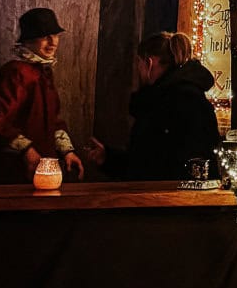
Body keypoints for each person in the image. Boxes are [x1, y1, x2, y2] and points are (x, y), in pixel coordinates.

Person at [86, 30, 220, 181]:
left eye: (139, 62)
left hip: (165, 199)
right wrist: (108, 158)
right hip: (187, 198)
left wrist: (112, 161)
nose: (138, 69)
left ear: (149, 63)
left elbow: (147, 167)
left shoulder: (162, 103)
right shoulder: (189, 98)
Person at [0, 6, 84, 181]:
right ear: (29, 40)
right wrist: (27, 150)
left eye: (55, 35)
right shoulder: (15, 72)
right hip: (15, 173)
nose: (53, 42)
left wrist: (67, 151)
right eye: (44, 36)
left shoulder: (43, 72)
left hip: (44, 171)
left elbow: (52, 121)